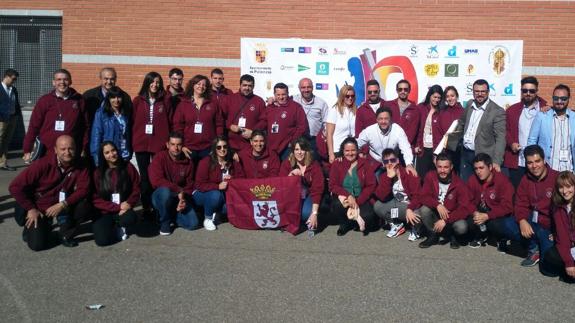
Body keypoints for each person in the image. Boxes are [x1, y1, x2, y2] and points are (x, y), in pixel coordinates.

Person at [9, 135, 91, 250]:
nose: (67, 152)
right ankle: (38, 228)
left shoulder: (81, 164)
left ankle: (65, 233)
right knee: (37, 245)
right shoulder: (42, 164)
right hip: (39, 207)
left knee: (85, 206)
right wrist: (31, 209)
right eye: (63, 149)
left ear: (75, 149)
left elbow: (84, 189)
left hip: (61, 204)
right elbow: (14, 187)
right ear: (55, 150)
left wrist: (63, 204)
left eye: (70, 148)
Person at [506, 145, 558, 266]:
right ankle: (534, 248)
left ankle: (543, 247)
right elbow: (520, 203)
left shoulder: (556, 178)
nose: (534, 166)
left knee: (548, 266)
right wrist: (522, 220)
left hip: (550, 227)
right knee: (507, 224)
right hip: (534, 222)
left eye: (537, 161)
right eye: (530, 163)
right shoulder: (525, 179)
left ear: (544, 160)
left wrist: (557, 232)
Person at [23, 69, 89, 163]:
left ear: (70, 81)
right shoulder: (44, 101)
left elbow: (86, 126)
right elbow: (34, 126)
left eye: (65, 79)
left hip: (70, 152)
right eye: (58, 79)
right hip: (47, 152)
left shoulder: (79, 101)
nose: (62, 82)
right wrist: (27, 149)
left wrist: (84, 147)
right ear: (53, 82)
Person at [447, 79, 506, 181]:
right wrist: (450, 144)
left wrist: (496, 161)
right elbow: (461, 123)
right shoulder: (470, 104)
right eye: (477, 91)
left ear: (488, 92)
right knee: (465, 186)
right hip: (465, 155)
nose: (480, 94)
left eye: (483, 91)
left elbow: (501, 138)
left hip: (483, 157)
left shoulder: (497, 111)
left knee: (481, 188)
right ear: (473, 92)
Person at [132, 72, 172, 218]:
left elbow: (170, 121)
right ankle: (146, 207)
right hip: (141, 144)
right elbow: (132, 122)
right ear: (147, 83)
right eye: (152, 82)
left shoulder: (165, 101)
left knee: (156, 176)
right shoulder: (137, 101)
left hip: (159, 144)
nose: (155, 85)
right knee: (144, 177)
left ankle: (158, 206)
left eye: (157, 82)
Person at [416, 153, 472, 249]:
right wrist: (437, 205)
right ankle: (433, 235)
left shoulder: (459, 184)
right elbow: (423, 196)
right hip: (436, 212)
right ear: (436, 166)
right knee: (423, 210)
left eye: (446, 167)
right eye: (440, 167)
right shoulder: (430, 176)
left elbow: (465, 209)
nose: (442, 170)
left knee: (462, 227)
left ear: (451, 167)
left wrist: (446, 220)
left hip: (452, 216)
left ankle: (453, 236)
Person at [149, 132, 198, 235]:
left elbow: (190, 184)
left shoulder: (188, 162)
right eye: (173, 144)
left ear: (182, 145)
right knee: (165, 191)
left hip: (179, 198)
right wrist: (178, 189)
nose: (176, 148)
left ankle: (172, 215)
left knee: (193, 224)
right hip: (161, 196)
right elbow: (156, 181)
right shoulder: (159, 158)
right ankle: (164, 221)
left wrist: (183, 199)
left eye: (179, 145)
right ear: (167, 145)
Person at [91, 141, 140, 246]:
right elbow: (95, 198)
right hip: (105, 211)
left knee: (130, 218)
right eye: (107, 152)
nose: (111, 154)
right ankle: (110, 227)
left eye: (113, 150)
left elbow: (137, 188)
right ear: (103, 155)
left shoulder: (128, 166)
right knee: (102, 241)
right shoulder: (97, 173)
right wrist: (116, 207)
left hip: (124, 208)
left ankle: (119, 225)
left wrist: (129, 203)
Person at [503, 77, 547, 188]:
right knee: (517, 193)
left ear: (537, 91)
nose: (528, 93)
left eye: (532, 91)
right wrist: (511, 143)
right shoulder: (512, 110)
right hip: (518, 161)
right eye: (525, 90)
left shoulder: (545, 110)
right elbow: (505, 130)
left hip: (538, 162)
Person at [329, 137, 377, 236]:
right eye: (347, 150)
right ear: (343, 151)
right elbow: (332, 185)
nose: (350, 153)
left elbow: (371, 185)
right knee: (337, 205)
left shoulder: (365, 163)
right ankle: (344, 224)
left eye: (353, 150)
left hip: (361, 198)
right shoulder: (337, 163)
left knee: (368, 216)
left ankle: (355, 221)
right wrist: (348, 196)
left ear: (357, 150)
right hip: (344, 198)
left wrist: (357, 201)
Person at [193, 137, 243, 231]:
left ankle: (217, 213)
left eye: (225, 147)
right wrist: (217, 186)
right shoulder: (205, 162)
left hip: (223, 194)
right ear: (214, 149)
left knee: (230, 207)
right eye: (219, 147)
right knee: (215, 195)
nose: (222, 149)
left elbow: (241, 178)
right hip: (201, 193)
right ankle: (208, 218)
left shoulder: (232, 161)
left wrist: (232, 180)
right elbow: (199, 184)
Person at [466, 153, 514, 248]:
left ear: (490, 167)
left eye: (481, 168)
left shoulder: (502, 181)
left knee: (496, 225)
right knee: (468, 221)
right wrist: (474, 212)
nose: (478, 171)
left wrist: (488, 215)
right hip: (480, 211)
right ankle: (481, 235)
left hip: (497, 214)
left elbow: (507, 207)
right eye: (476, 169)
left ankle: (501, 238)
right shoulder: (472, 180)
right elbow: (467, 200)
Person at [173, 74, 223, 165]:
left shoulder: (212, 104)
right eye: (198, 84)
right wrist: (182, 146)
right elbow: (177, 126)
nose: (201, 86)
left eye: (204, 85)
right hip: (188, 148)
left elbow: (219, 125)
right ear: (193, 85)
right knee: (189, 175)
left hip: (208, 148)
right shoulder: (183, 104)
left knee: (206, 175)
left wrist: (217, 145)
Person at [373, 148, 421, 239]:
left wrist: (410, 209)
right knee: (378, 206)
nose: (390, 163)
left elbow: (418, 196)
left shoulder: (409, 173)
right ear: (383, 164)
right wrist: (388, 178)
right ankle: (397, 225)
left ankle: (417, 227)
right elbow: (381, 196)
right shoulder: (384, 176)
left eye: (393, 160)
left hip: (413, 206)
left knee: (419, 214)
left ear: (398, 161)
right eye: (386, 161)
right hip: (399, 206)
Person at [527, 84, 575, 172]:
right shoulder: (542, 116)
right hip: (548, 170)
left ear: (569, 99)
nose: (559, 101)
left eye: (563, 98)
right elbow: (532, 141)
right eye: (556, 98)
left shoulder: (574, 117)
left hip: (570, 172)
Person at [280, 137, 324, 230]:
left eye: (302, 149)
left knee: (306, 213)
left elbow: (317, 190)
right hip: (291, 195)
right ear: (293, 151)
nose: (299, 152)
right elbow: (281, 185)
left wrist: (314, 213)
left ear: (307, 151)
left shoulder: (314, 165)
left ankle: (310, 218)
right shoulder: (286, 164)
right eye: (296, 149)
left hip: (308, 195)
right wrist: (290, 175)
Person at [540, 171, 575, 283]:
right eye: (561, 187)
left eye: (568, 186)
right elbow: (563, 237)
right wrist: (569, 263)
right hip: (570, 246)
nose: (565, 191)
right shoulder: (558, 207)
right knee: (549, 259)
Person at [356, 107, 415, 173]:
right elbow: (356, 145)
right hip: (375, 162)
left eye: (386, 119)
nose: (383, 121)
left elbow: (406, 148)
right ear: (376, 120)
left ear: (391, 119)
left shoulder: (398, 130)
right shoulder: (369, 131)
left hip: (392, 162)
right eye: (380, 119)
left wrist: (409, 164)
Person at [221, 74, 267, 151]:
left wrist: (253, 132)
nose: (247, 88)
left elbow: (264, 120)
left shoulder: (259, 101)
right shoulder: (230, 99)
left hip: (250, 145)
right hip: (231, 144)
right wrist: (230, 126)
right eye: (244, 85)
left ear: (253, 86)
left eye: (250, 86)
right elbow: (221, 118)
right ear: (240, 85)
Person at [90, 86, 132, 166]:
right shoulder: (101, 113)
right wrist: (97, 158)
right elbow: (96, 136)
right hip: (109, 155)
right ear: (108, 99)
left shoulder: (126, 113)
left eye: (119, 97)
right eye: (113, 97)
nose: (116, 100)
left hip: (124, 153)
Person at [265, 82, 309, 160]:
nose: (281, 97)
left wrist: (292, 142)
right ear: (274, 95)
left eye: (283, 94)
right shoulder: (270, 107)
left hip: (287, 148)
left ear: (288, 94)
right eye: (278, 95)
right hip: (271, 148)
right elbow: (264, 123)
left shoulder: (296, 107)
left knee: (286, 170)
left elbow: (302, 127)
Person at [292, 78, 329, 159]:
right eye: (303, 87)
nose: (306, 90)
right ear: (299, 88)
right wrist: (272, 99)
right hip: (298, 140)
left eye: (309, 87)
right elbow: (281, 99)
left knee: (314, 164)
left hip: (314, 140)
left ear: (312, 88)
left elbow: (326, 123)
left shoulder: (321, 103)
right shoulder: (292, 99)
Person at [383, 79, 420, 155]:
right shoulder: (388, 105)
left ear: (409, 91)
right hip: (388, 147)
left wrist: (404, 145)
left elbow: (415, 131)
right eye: (400, 89)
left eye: (405, 89)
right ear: (397, 90)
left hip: (406, 148)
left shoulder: (415, 109)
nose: (403, 91)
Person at [415, 85, 444, 177]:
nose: (437, 100)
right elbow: (416, 128)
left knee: (435, 175)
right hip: (423, 148)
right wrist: (416, 145)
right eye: (434, 97)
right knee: (422, 175)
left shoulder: (443, 110)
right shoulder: (421, 108)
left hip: (436, 148)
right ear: (429, 96)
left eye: (439, 97)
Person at [326, 85, 356, 163]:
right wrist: (331, 153)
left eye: (352, 96)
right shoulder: (334, 110)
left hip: (352, 150)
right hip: (338, 150)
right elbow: (329, 134)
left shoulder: (356, 110)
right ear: (342, 96)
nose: (350, 98)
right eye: (347, 96)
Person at [438, 86, 464, 172]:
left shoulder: (463, 111)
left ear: (457, 96)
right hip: (445, 150)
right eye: (447, 96)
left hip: (460, 150)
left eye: (452, 96)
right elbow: (439, 131)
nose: (450, 98)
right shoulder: (442, 112)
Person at [0, 68, 21, 171]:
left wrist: (17, 115)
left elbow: (15, 103)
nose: (14, 81)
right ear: (6, 77)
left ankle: (2, 163)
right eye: (13, 79)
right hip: (1, 119)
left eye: (15, 79)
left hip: (12, 118)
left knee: (6, 141)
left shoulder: (13, 89)